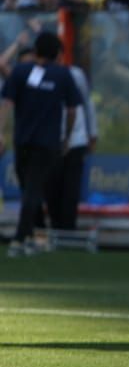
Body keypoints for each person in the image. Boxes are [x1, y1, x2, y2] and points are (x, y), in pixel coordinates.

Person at [0, 32, 81, 257]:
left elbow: (6, 104)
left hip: (22, 141)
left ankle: (25, 238)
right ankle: (21, 239)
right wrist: (66, 137)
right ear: (57, 54)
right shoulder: (63, 75)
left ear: (35, 51)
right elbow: (72, 110)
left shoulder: (21, 71)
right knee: (32, 191)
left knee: (28, 188)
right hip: (47, 143)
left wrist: (0, 134)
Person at [47, 60, 95, 232]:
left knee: (70, 185)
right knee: (53, 185)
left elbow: (84, 103)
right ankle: (57, 226)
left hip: (73, 139)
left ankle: (67, 227)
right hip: (53, 140)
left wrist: (91, 132)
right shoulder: (41, 75)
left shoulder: (75, 74)